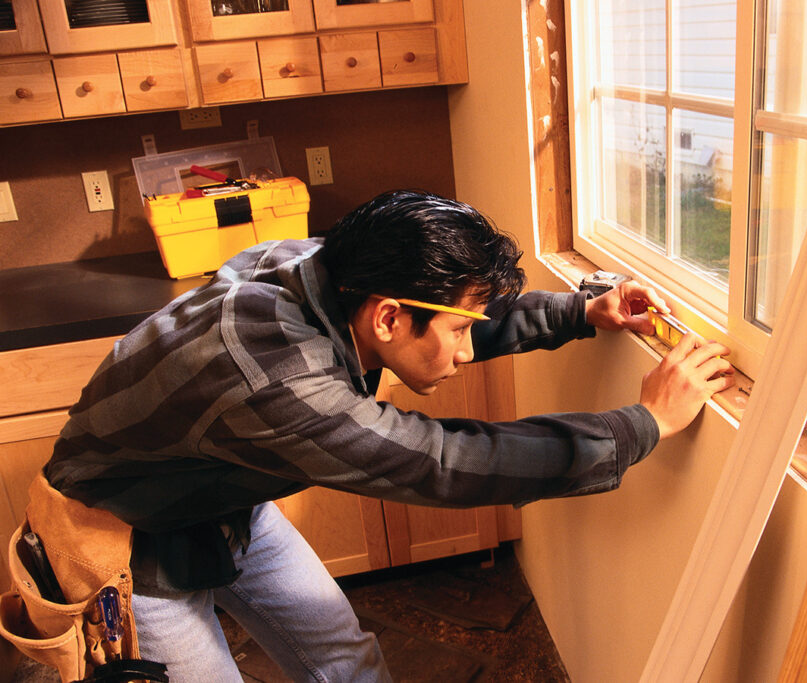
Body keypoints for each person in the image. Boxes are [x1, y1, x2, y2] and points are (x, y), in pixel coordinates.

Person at [40, 189, 733, 682]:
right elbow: (447, 463)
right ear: (386, 319)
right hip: (128, 539)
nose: (465, 351)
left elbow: (446, 318)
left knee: (347, 661)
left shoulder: (330, 272)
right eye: (459, 333)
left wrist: (582, 311)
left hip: (220, 503)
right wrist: (641, 425)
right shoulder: (278, 380)